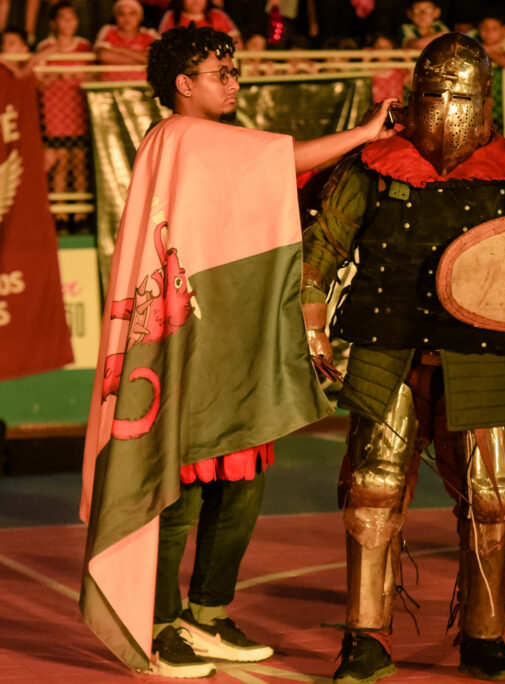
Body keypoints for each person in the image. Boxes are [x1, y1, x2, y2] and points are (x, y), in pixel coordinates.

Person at [79, 23, 395, 679]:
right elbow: (287, 159)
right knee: (181, 490)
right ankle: (160, 626)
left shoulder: (208, 144)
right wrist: (366, 133)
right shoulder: (182, 136)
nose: (234, 83)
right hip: (188, 346)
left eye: (234, 72)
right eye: (219, 73)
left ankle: (207, 614)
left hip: (225, 344)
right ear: (182, 84)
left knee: (241, 482)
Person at [301, 32, 505, 684]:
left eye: (460, 97)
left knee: (494, 498)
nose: (446, 110)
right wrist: (312, 323)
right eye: (434, 95)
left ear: (484, 102)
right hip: (387, 340)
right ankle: (365, 637)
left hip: (479, 348)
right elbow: (324, 245)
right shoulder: (373, 166)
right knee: (372, 489)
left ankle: (485, 637)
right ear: (413, 97)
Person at [34, 1, 92, 232]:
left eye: (71, 18)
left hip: (79, 114)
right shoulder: (46, 47)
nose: (68, 23)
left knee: (79, 163)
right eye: (63, 18)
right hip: (55, 116)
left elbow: (93, 76)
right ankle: (58, 215)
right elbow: (38, 80)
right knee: (59, 164)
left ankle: (79, 216)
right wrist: (56, 76)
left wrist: (75, 75)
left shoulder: (84, 46)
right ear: (54, 22)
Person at [94, 0, 158, 82]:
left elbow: (152, 58)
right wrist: (140, 59)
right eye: (122, 14)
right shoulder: (108, 30)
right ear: (116, 16)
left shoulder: (149, 34)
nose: (127, 18)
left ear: (140, 17)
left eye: (132, 14)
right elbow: (103, 55)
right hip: (111, 85)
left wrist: (116, 49)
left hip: (142, 85)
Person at [158, 0, 240, 45]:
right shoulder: (172, 16)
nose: (196, 1)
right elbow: (162, 44)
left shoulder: (217, 15)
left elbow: (236, 42)